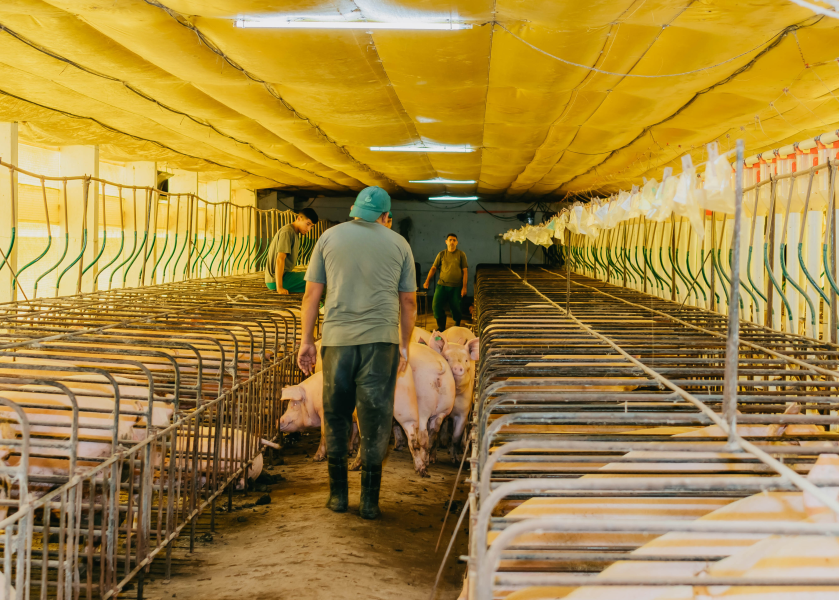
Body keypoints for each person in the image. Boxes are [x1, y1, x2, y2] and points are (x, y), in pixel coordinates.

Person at [297, 187, 416, 520]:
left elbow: (311, 297)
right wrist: (405, 344)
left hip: (337, 342)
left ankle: (337, 497)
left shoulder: (329, 239)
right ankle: (369, 502)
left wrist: (307, 340)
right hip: (381, 343)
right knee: (375, 417)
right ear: (385, 216)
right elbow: (408, 302)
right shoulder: (399, 244)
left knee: (335, 415)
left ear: (354, 210)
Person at [264, 208, 318, 294]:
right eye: (307, 224)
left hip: (284, 276)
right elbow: (280, 259)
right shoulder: (288, 232)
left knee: (314, 275)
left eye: (311, 226)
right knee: (318, 279)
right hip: (277, 280)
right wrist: (279, 288)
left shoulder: (294, 233)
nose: (308, 229)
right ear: (299, 218)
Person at [424, 233, 468, 332]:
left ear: (457, 242)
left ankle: (456, 327)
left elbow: (465, 271)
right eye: (450, 240)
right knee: (436, 306)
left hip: (456, 287)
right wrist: (427, 281)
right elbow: (433, 268)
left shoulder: (461, 254)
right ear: (446, 242)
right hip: (442, 286)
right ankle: (441, 327)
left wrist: (464, 287)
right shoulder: (441, 254)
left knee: (456, 308)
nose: (452, 242)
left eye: (454, 240)